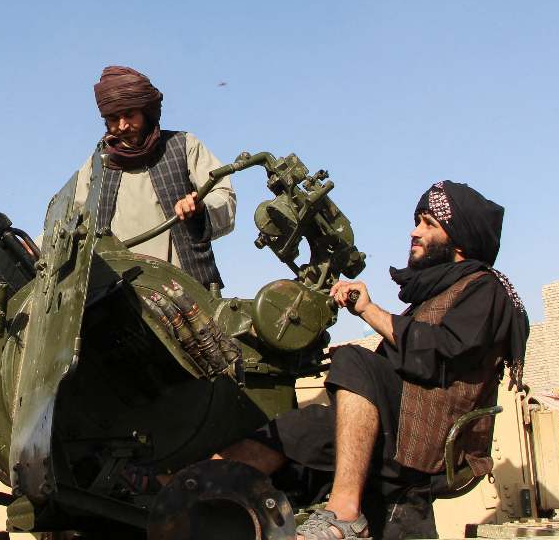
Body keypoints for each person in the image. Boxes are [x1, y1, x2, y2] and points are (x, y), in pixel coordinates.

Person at [220, 180, 529, 539]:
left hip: (427, 437)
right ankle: (187, 489)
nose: (415, 231)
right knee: (286, 434)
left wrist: (368, 312)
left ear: (459, 240)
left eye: (429, 224)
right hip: (400, 425)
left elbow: (440, 352)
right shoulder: (434, 295)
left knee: (356, 360)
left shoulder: (484, 288)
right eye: (417, 221)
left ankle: (344, 514)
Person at [73, 65, 235, 289]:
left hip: (187, 294)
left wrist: (199, 208)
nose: (122, 126)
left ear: (146, 112)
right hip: (120, 298)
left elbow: (223, 196)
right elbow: (67, 224)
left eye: (130, 115)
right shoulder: (96, 166)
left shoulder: (183, 145)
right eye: (113, 118)